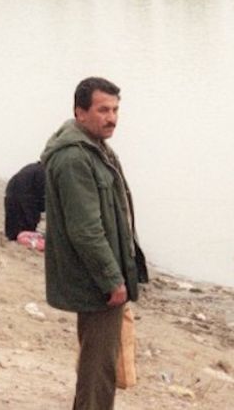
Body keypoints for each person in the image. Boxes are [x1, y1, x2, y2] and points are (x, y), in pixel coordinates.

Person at [41, 77, 147, 409]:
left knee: (99, 365)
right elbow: (85, 230)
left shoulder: (94, 147)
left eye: (115, 110)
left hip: (99, 276)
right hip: (96, 281)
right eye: (103, 110)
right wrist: (112, 279)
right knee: (98, 369)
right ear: (80, 112)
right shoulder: (74, 158)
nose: (112, 117)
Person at [4, 162, 46, 240]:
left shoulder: (34, 168)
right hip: (25, 196)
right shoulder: (43, 173)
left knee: (14, 232)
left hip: (12, 193)